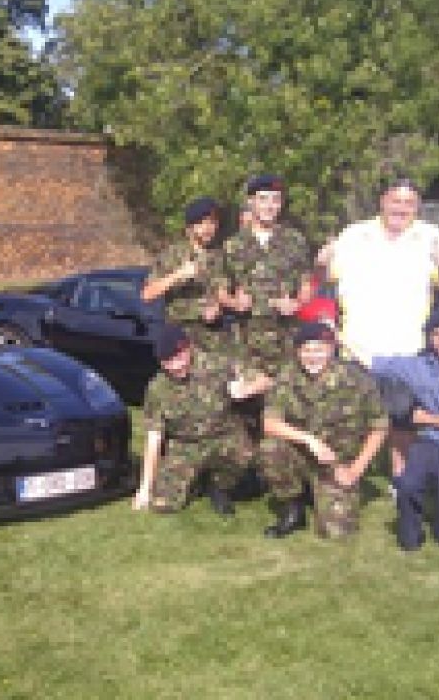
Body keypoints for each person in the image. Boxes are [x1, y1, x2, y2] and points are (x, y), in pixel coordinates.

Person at [316, 175, 439, 480]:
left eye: (409, 203)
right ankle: (341, 475)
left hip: (406, 348)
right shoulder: (355, 234)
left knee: (401, 418)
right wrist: (321, 264)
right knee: (349, 416)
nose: (401, 208)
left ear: (417, 207)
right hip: (357, 345)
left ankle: (399, 480)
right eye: (396, 200)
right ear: (383, 201)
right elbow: (325, 280)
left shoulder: (430, 235)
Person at [258, 322, 388, 539]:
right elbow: (269, 424)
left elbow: (379, 426)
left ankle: (319, 491)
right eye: (306, 350)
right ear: (298, 352)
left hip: (338, 462)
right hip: (301, 455)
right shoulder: (286, 376)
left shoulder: (356, 379)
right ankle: (294, 508)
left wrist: (356, 470)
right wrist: (310, 440)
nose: (312, 356)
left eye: (319, 349)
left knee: (337, 532)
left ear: (331, 349)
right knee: (270, 448)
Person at [133, 324, 258, 515]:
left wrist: (246, 388)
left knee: (247, 462)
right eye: (167, 362)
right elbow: (153, 437)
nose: (176, 366)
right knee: (162, 504)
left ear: (188, 348)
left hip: (224, 436)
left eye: (179, 357)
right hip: (185, 445)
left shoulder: (218, 364)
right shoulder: (157, 388)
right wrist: (144, 489)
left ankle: (219, 485)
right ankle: (197, 480)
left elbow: (265, 378)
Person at [371, 299, 439, 550]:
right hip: (432, 442)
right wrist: (336, 339)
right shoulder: (417, 366)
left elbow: (424, 418)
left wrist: (428, 418)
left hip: (437, 431)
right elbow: (372, 361)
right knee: (407, 484)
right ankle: (411, 538)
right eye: (436, 335)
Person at [220, 174, 313, 376]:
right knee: (245, 403)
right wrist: (235, 303)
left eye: (275, 200)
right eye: (263, 199)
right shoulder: (232, 246)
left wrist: (296, 304)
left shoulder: (295, 241)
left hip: (286, 343)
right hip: (246, 344)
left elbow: (307, 286)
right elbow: (220, 291)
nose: (269, 206)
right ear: (251, 201)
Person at [141, 196, 226, 351]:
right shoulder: (174, 255)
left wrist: (218, 308)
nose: (208, 228)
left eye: (212, 222)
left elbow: (224, 293)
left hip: (215, 341)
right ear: (190, 227)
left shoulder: (220, 256)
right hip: (182, 342)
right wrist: (178, 274)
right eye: (201, 223)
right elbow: (147, 294)